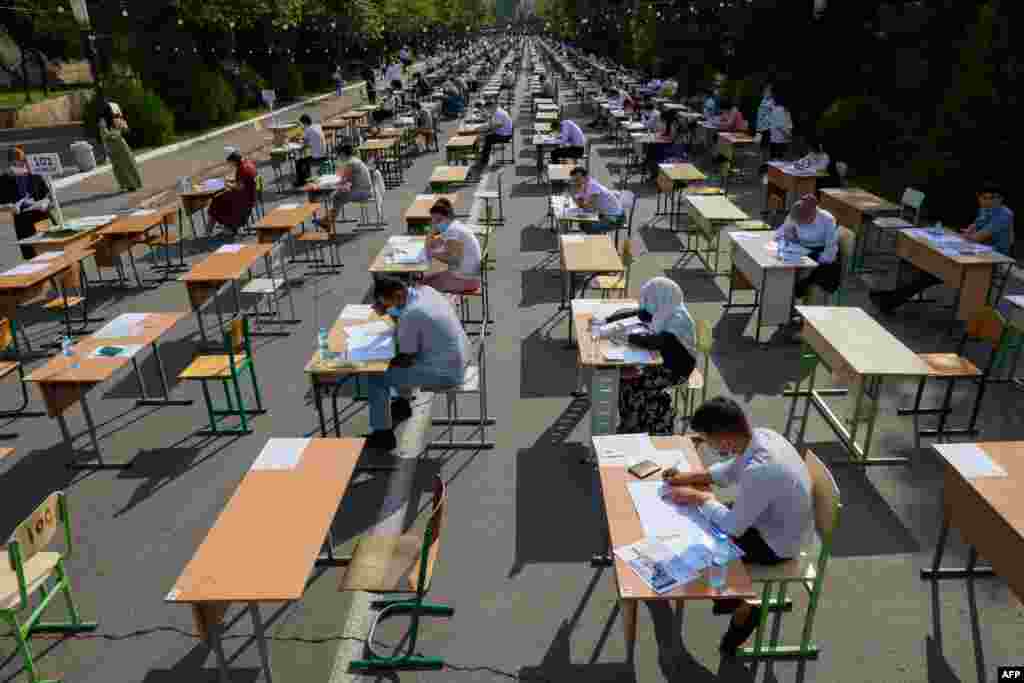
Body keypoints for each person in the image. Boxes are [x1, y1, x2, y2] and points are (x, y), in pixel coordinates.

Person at [661, 396, 813, 657]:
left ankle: (745, 606)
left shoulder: (761, 470)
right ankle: (735, 597)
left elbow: (734, 527)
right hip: (776, 522)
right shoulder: (764, 436)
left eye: (707, 439)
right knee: (705, 526)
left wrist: (698, 497)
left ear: (723, 438)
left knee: (701, 552)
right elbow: (731, 470)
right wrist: (689, 477)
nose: (707, 445)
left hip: (777, 544)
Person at [870, 183, 1014, 313]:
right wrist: (968, 233)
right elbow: (973, 228)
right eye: (983, 198)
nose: (986, 202)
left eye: (991, 198)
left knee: (934, 273)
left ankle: (890, 300)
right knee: (930, 268)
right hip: (974, 251)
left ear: (999, 199)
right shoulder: (985, 209)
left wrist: (967, 235)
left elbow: (978, 237)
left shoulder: (1005, 215)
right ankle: (891, 299)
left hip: (991, 261)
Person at [366, 278, 470, 451]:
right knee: (396, 366)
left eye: (387, 305)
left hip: (446, 373)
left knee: (377, 377)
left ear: (398, 295)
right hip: (459, 357)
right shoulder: (426, 291)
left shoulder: (411, 314)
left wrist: (376, 359)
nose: (388, 309)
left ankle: (382, 436)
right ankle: (401, 405)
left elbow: (407, 359)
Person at [594, 277, 697, 434]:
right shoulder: (663, 308)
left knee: (631, 383)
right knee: (624, 379)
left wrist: (627, 337)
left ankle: (635, 427)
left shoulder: (678, 319)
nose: (648, 302)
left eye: (651, 298)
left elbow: (657, 342)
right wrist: (606, 321)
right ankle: (631, 424)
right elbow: (638, 313)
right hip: (657, 361)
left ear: (661, 297)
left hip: (676, 370)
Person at [777, 194, 840, 300]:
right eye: (798, 222)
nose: (799, 224)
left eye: (802, 222)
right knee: (782, 270)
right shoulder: (795, 214)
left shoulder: (827, 220)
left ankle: (795, 300)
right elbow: (780, 233)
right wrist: (786, 236)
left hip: (821, 254)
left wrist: (811, 264)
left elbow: (830, 251)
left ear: (813, 214)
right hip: (800, 250)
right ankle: (786, 300)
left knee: (802, 277)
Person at [0, 146, 52, 259]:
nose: (22, 166)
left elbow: (48, 196)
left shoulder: (35, 175)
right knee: (32, 258)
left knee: (50, 253)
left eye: (23, 162)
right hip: (23, 224)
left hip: (41, 219)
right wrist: (8, 207)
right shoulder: (3, 180)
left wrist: (45, 203)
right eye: (16, 163)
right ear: (10, 163)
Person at [423, 198, 482, 294]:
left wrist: (433, 254)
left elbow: (454, 260)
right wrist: (432, 230)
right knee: (424, 281)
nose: (437, 223)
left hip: (466, 280)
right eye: (433, 220)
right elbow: (431, 245)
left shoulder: (453, 231)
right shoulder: (452, 226)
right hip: (462, 275)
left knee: (423, 289)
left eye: (439, 220)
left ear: (448, 217)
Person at [208, 148, 257, 237]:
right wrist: (231, 181)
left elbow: (239, 187)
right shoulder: (247, 163)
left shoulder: (243, 168)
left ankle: (229, 227)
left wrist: (227, 184)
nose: (230, 164)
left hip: (245, 199)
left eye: (229, 162)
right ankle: (228, 226)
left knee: (217, 200)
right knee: (220, 198)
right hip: (250, 195)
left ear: (233, 160)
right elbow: (243, 182)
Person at [98, 101, 142, 192]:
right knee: (118, 166)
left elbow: (126, 130)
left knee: (128, 163)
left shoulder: (116, 119)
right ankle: (125, 185)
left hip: (119, 144)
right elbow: (105, 135)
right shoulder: (103, 121)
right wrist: (115, 134)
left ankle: (133, 184)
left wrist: (122, 124)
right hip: (113, 145)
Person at [570, 166, 623, 235]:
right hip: (605, 215)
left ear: (586, 177)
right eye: (574, 180)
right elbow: (582, 205)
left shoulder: (592, 186)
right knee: (584, 224)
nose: (576, 182)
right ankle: (597, 240)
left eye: (577, 179)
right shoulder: (584, 185)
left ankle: (599, 243)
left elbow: (588, 208)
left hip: (616, 218)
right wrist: (576, 195)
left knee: (588, 226)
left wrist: (575, 195)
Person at [330, 143, 373, 215]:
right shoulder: (354, 160)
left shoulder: (351, 163)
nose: (339, 157)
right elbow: (346, 180)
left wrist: (330, 184)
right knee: (339, 193)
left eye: (339, 155)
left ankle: (331, 219)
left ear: (343, 154)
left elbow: (344, 180)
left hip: (362, 192)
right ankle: (330, 218)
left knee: (336, 197)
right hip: (364, 189)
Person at [294, 114, 327, 188]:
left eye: (302, 124)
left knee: (299, 162)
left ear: (305, 122)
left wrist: (298, 141)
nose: (301, 126)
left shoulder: (307, 129)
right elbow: (311, 140)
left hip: (317, 156)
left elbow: (304, 144)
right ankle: (307, 177)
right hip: (324, 153)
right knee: (305, 160)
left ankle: (301, 182)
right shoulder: (317, 126)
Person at [478, 100, 513, 167]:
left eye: (488, 109)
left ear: (491, 107)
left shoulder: (498, 113)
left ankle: (484, 160)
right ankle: (484, 156)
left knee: (488, 138)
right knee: (486, 136)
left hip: (505, 135)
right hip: (503, 132)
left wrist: (486, 130)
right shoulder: (496, 111)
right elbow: (494, 125)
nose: (488, 111)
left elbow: (497, 126)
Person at [767, 91, 793, 160]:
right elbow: (780, 125)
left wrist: (789, 132)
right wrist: (788, 134)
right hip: (780, 139)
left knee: (776, 160)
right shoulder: (779, 110)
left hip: (778, 139)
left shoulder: (782, 109)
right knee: (778, 160)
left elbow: (789, 122)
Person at [755, 83, 775, 158]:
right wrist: (758, 128)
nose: (766, 92)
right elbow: (760, 113)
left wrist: (769, 123)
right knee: (759, 146)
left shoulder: (773, 101)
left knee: (765, 147)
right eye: (765, 90)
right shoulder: (763, 100)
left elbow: (774, 114)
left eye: (768, 90)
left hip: (767, 128)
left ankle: (765, 162)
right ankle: (761, 160)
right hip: (760, 126)